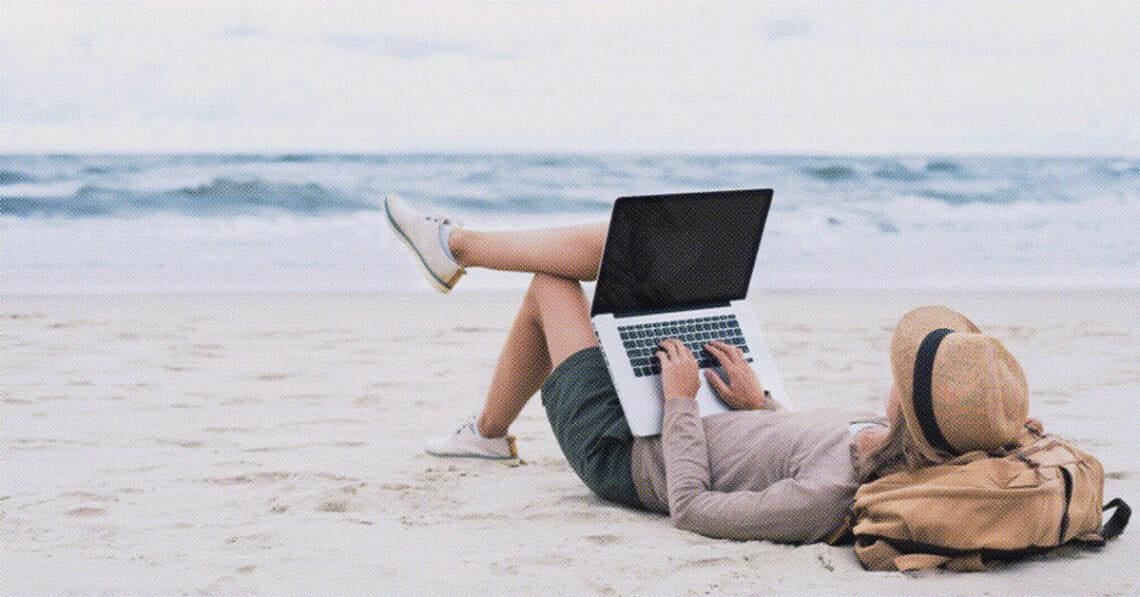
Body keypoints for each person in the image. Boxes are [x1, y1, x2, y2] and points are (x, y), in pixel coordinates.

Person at [382, 194, 1029, 544]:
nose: (894, 373)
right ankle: (485, 422)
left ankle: (458, 256)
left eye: (906, 374)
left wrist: (681, 401)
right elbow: (779, 446)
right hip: (697, 412)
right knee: (630, 246)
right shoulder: (875, 438)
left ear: (910, 409)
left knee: (552, 285)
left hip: (626, 452)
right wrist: (757, 403)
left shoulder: (826, 497)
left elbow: (691, 507)